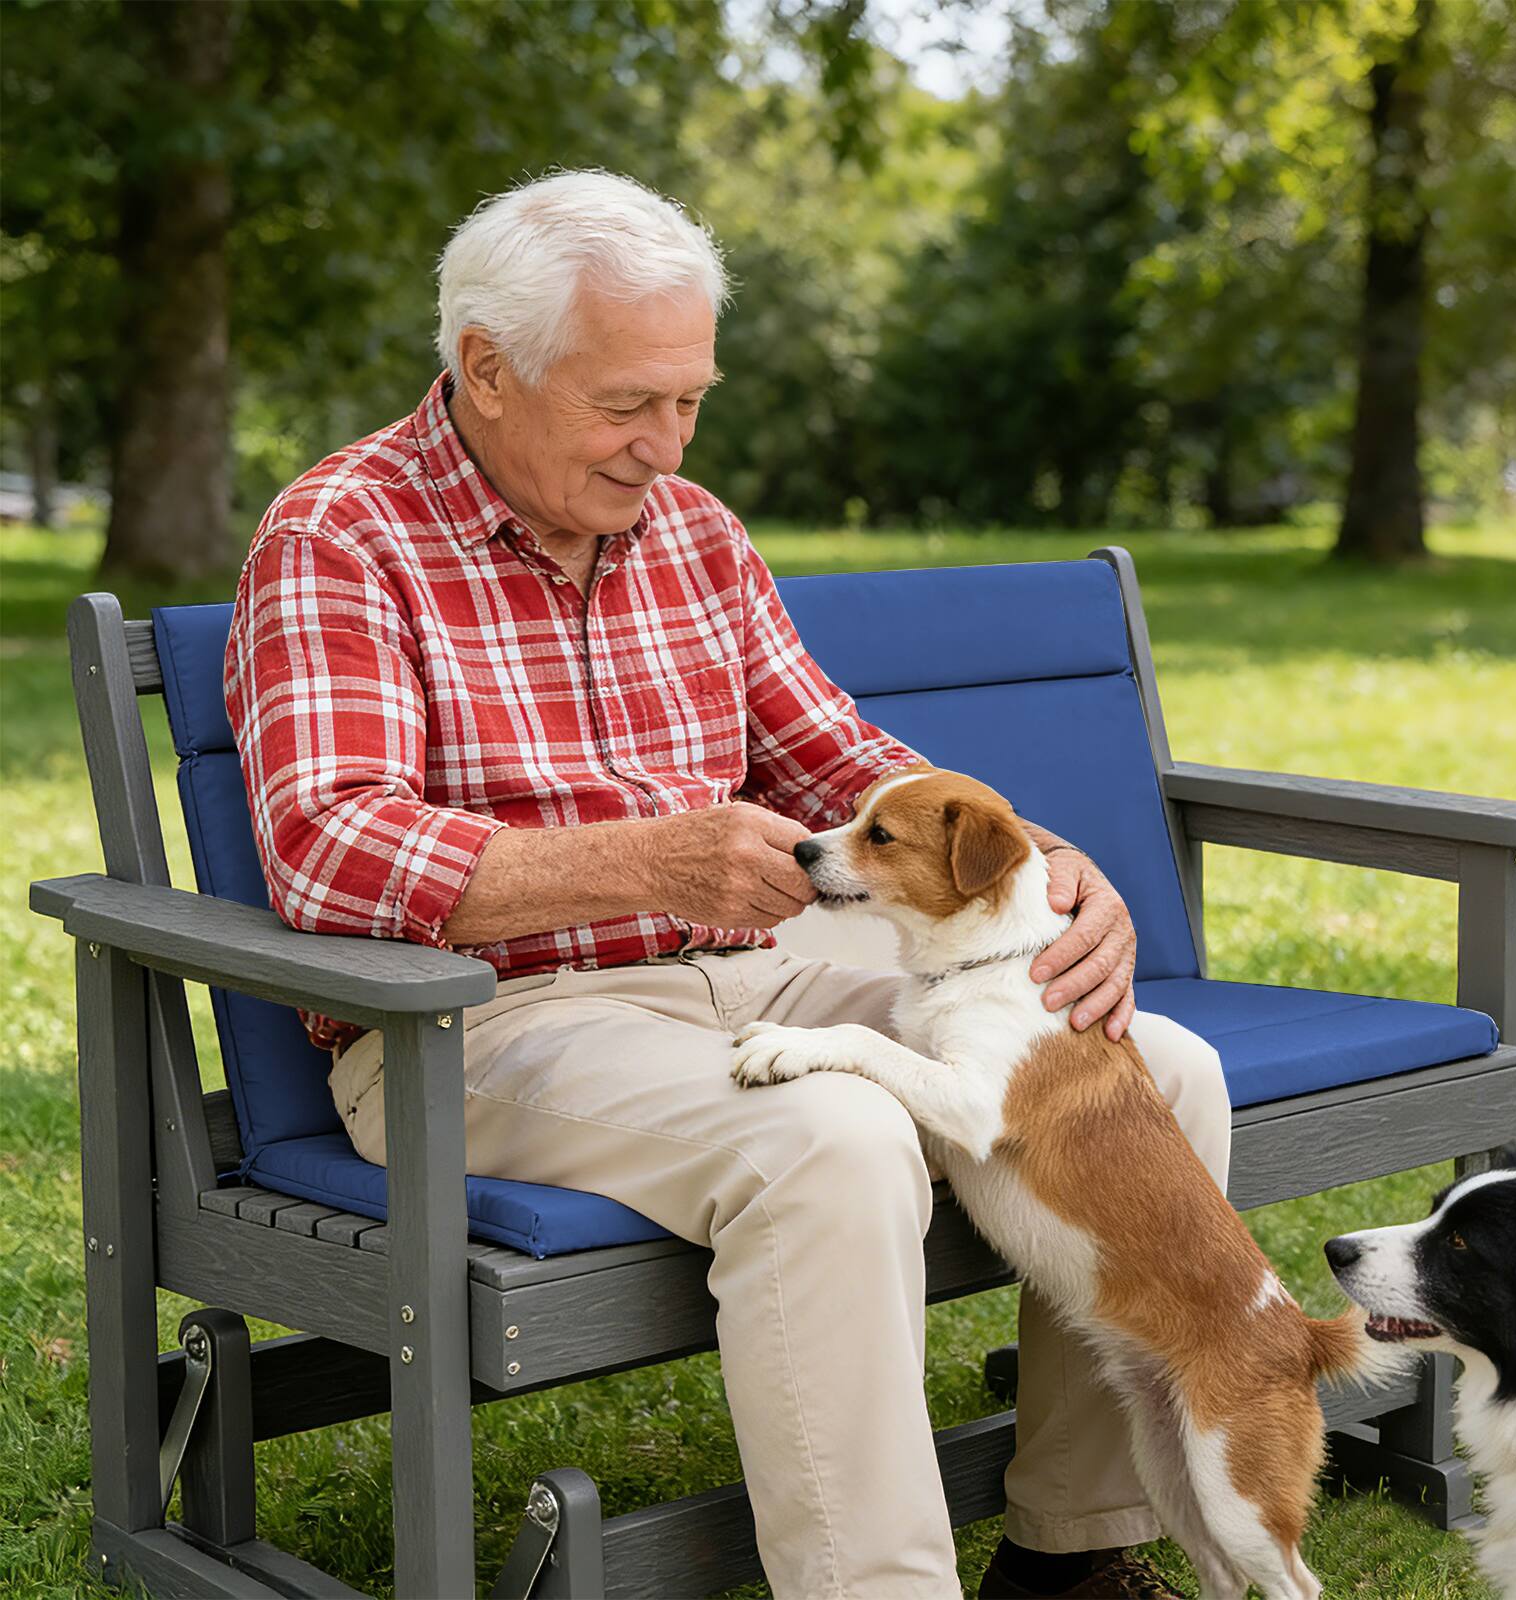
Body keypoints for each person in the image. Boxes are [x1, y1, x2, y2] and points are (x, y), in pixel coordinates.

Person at [224, 169, 1230, 1600]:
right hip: (487, 1026)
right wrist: (643, 858)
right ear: (486, 368)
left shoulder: (692, 533)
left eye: (690, 398)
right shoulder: (341, 535)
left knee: (1157, 1069)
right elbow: (327, 845)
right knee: (831, 1140)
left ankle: (1074, 1553)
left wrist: (1056, 866)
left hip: (756, 975)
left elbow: (843, 762)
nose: (666, 442)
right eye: (629, 401)